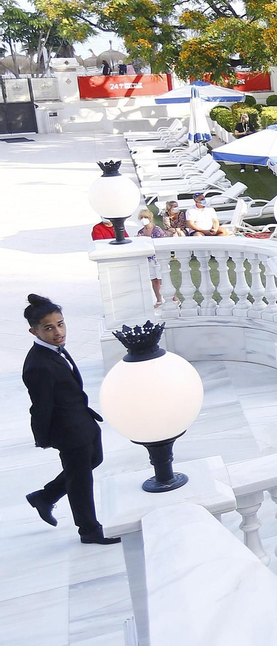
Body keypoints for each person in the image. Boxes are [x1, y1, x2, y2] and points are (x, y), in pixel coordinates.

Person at [23, 295, 118, 545]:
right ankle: (89, 531)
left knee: (93, 461)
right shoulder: (37, 365)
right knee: (80, 481)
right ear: (34, 331)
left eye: (61, 324)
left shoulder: (54, 350)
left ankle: (45, 497)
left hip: (83, 422)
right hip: (69, 432)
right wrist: (43, 438)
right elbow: (40, 407)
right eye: (49, 328)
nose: (58, 332)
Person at [135, 208, 168, 304]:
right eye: (141, 217)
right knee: (154, 281)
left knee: (163, 281)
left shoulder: (157, 230)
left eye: (145, 217)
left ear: (150, 218)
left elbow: (161, 245)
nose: (143, 219)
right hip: (148, 261)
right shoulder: (140, 232)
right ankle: (159, 300)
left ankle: (174, 299)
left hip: (158, 259)